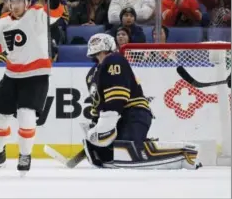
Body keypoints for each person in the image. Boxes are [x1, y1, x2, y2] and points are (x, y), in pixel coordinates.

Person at [0, 0, 64, 176]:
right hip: (12, 74)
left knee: (26, 115)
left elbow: (57, 11)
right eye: (11, 1)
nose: (14, 6)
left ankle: (25, 154)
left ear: (27, 2)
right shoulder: (4, 20)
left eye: (18, 2)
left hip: (36, 75)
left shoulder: (38, 13)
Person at [82, 33, 201, 169]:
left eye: (100, 48)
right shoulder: (92, 74)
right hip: (119, 118)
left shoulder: (114, 60)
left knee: (126, 153)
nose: (99, 52)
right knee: (107, 157)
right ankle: (142, 143)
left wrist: (104, 124)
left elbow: (117, 97)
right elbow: (97, 102)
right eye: (96, 49)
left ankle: (185, 154)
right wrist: (95, 124)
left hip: (134, 113)